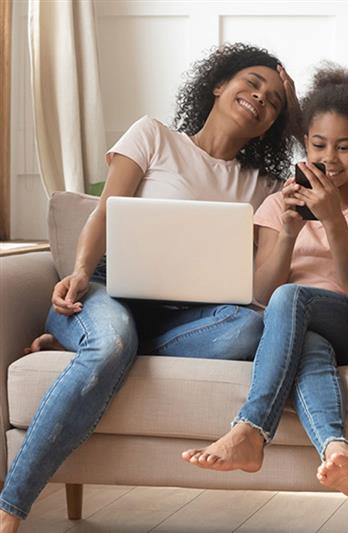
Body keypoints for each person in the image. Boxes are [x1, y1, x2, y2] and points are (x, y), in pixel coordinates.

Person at [0, 44, 298, 533]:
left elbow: (262, 283)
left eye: (273, 101)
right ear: (219, 84)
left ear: (272, 125)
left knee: (250, 327)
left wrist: (297, 109)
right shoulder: (154, 136)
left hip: (189, 316)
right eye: (251, 83)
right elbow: (105, 210)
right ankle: (11, 508)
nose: (260, 98)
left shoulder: (261, 186)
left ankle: (93, 346)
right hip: (107, 290)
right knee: (113, 339)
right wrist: (77, 271)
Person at [180, 64, 348, 498]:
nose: (329, 158)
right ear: (306, 143)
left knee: (293, 299)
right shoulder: (274, 205)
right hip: (296, 330)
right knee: (307, 340)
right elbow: (260, 295)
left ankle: (250, 429)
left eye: (344, 148)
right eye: (319, 144)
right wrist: (288, 231)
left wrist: (332, 220)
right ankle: (336, 450)